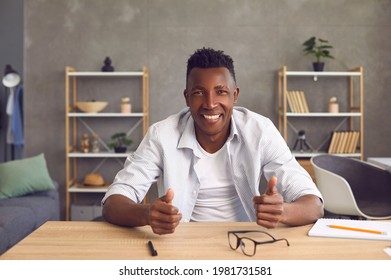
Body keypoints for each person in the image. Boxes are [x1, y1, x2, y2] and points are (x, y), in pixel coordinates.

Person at [102, 47, 324, 235]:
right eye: (199, 92)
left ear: (234, 96)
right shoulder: (162, 135)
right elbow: (113, 202)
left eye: (221, 92)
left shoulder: (260, 131)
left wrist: (283, 211)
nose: (210, 103)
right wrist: (147, 214)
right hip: (180, 244)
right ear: (187, 97)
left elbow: (314, 205)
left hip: (245, 242)